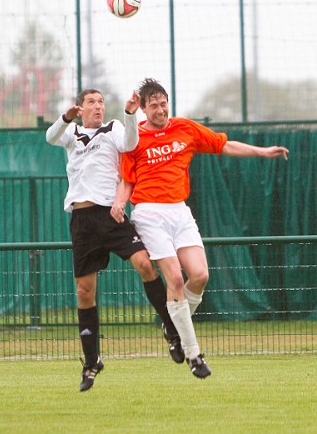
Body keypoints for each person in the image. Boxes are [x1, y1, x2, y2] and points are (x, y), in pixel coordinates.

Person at [111, 77, 289, 379]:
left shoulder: (185, 128)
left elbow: (224, 144)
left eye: (163, 103)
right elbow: (127, 179)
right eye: (153, 105)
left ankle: (173, 327)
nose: (160, 109)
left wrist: (261, 151)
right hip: (150, 213)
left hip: (180, 212)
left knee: (200, 275)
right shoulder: (134, 138)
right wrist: (119, 203)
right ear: (143, 109)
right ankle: (194, 355)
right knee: (175, 282)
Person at [45, 88, 185, 393]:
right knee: (84, 292)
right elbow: (51, 137)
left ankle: (172, 329)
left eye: (100, 102)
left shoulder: (114, 129)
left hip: (112, 215)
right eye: (91, 102)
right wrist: (66, 118)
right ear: (80, 108)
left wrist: (130, 114)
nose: (98, 107)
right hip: (82, 222)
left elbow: (130, 143)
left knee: (145, 264)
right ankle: (91, 361)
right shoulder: (72, 135)